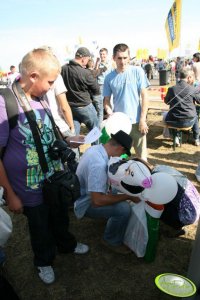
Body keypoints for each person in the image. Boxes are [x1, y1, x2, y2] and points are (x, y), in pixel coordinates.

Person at [0, 48, 89, 285]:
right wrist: (9, 192)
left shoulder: (40, 97)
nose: (52, 86)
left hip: (54, 176)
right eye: (50, 81)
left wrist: (69, 139)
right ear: (33, 76)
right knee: (40, 226)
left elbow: (46, 130)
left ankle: (66, 245)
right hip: (28, 186)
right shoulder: (5, 102)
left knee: (60, 215)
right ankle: (43, 260)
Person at [74, 130, 140, 254]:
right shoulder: (99, 164)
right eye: (124, 153)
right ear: (120, 148)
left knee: (117, 190)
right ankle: (111, 240)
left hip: (82, 193)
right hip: (84, 203)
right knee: (124, 209)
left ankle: (112, 223)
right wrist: (127, 196)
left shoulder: (96, 149)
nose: (122, 156)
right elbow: (97, 201)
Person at [103, 43, 149, 161]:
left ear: (129, 57)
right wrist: (108, 111)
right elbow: (106, 100)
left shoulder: (137, 72)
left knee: (142, 157)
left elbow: (145, 96)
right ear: (113, 58)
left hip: (137, 122)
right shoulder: (109, 77)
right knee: (120, 158)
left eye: (125, 58)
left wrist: (143, 120)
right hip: (119, 124)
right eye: (119, 58)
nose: (122, 61)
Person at [61, 47, 100, 135]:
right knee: (95, 132)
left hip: (70, 108)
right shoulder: (85, 72)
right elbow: (96, 90)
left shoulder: (63, 69)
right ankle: (96, 149)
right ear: (84, 59)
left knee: (74, 135)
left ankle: (74, 149)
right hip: (85, 106)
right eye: (88, 59)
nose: (87, 62)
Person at [164, 68, 200, 146]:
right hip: (188, 120)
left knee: (165, 115)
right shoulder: (192, 89)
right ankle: (196, 138)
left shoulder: (171, 89)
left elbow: (166, 102)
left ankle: (175, 137)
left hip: (172, 120)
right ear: (188, 77)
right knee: (195, 116)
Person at [94, 48, 112, 125]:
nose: (102, 56)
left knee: (109, 103)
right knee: (100, 106)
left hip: (108, 85)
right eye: (101, 54)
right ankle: (100, 125)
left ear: (106, 54)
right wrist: (97, 64)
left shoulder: (111, 63)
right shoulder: (98, 63)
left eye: (104, 54)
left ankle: (110, 121)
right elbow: (94, 73)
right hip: (100, 85)